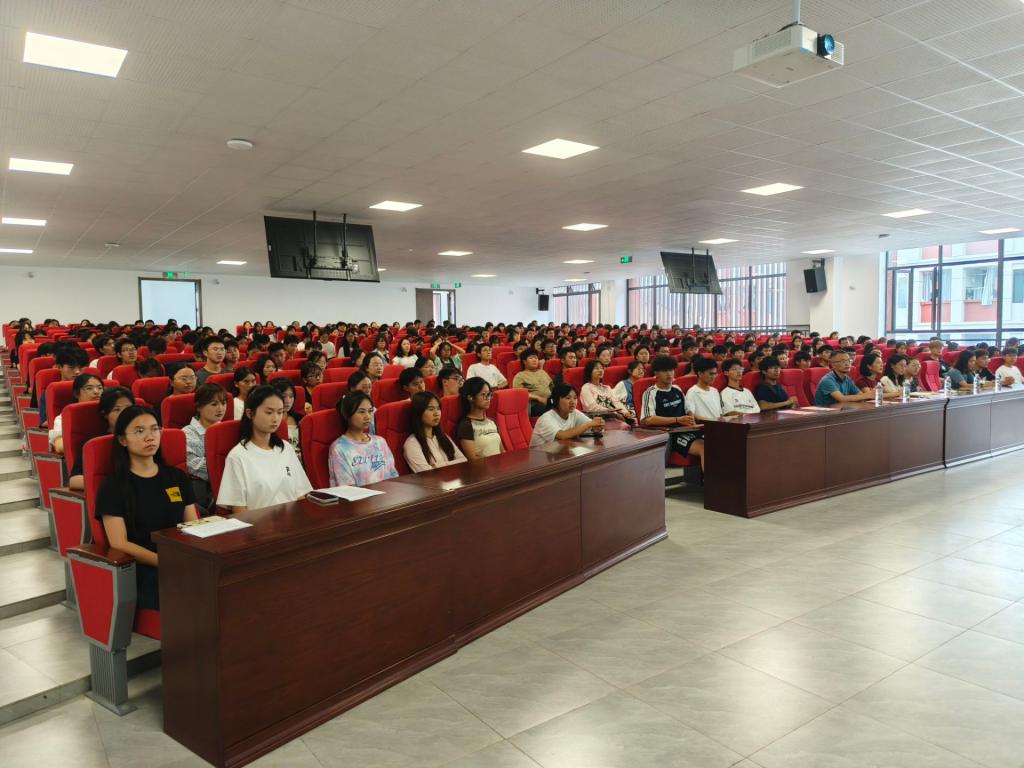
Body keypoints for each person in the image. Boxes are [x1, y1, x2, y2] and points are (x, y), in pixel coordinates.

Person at [95, 406, 198, 609]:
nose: (150, 437)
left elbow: (194, 526)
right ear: (122, 440)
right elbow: (119, 543)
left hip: (180, 559)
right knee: (196, 593)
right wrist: (163, 561)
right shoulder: (113, 487)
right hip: (143, 568)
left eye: (154, 429)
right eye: (139, 431)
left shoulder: (176, 477)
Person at [217, 386, 312, 513]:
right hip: (258, 524)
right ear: (250, 413)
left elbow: (300, 495)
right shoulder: (237, 456)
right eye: (269, 412)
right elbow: (239, 509)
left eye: (280, 412)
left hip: (292, 520)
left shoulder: (286, 448)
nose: (276, 419)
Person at [639, 354, 703, 468]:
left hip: (687, 429)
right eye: (665, 371)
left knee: (717, 443)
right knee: (703, 448)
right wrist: (677, 419)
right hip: (670, 434)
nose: (669, 374)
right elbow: (647, 419)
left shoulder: (677, 389)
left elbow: (688, 408)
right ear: (656, 373)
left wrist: (690, 417)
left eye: (671, 370)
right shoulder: (650, 393)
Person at [328, 391, 399, 486]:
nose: (368, 416)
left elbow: (393, 475)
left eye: (370, 411)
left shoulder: (380, 442)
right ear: (347, 414)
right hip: (360, 495)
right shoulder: (339, 448)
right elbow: (346, 486)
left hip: (389, 493)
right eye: (361, 412)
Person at [183, 383, 228, 512]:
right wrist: (231, 466)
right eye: (214, 404)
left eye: (223, 403)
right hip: (206, 491)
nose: (220, 409)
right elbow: (195, 466)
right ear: (199, 407)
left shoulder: (228, 429)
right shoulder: (188, 433)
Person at [403, 391, 467, 472]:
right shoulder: (412, 443)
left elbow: (464, 461)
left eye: (438, 408)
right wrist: (451, 464)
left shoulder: (443, 436)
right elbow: (427, 474)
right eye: (431, 409)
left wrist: (438, 466)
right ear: (419, 412)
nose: (437, 413)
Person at [530, 384, 604, 446]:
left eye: (575, 398)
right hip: (540, 457)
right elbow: (563, 435)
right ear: (556, 400)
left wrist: (596, 427)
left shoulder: (574, 413)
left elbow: (591, 425)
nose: (573, 402)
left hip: (559, 454)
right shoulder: (545, 419)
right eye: (568, 398)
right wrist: (590, 424)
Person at [49, 373, 104, 453]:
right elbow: (60, 446)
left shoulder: (108, 412)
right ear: (76, 394)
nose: (96, 392)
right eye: (89, 388)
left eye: (100, 388)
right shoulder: (65, 417)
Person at [456, 377, 503, 460]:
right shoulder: (466, 425)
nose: (488, 399)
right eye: (483, 394)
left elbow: (502, 451)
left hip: (500, 466)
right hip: (483, 467)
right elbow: (473, 458)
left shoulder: (492, 422)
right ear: (470, 397)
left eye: (489, 394)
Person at [270, 378, 305, 457]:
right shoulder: (267, 423)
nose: (288, 401)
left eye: (291, 396)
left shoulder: (301, 419)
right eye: (283, 396)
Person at [512, 349, 552, 417]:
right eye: (531, 358)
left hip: (549, 400)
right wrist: (538, 398)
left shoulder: (542, 372)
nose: (534, 360)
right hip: (534, 404)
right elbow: (518, 393)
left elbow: (552, 386)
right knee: (550, 410)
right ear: (524, 361)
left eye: (536, 358)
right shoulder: (520, 376)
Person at [685, 356, 723, 421]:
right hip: (705, 425)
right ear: (700, 374)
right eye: (711, 374)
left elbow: (720, 414)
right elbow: (692, 416)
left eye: (715, 374)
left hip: (718, 424)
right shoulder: (692, 392)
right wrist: (713, 421)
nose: (714, 377)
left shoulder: (715, 391)